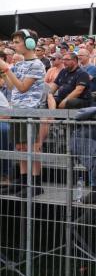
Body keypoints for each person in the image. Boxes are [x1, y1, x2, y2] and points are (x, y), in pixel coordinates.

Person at [0, 29, 46, 197]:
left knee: (32, 148)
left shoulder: (37, 65)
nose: (14, 45)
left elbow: (23, 87)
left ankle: (36, 183)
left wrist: (7, 69)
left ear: (30, 43)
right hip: (17, 109)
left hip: (30, 110)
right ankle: (23, 180)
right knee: (20, 147)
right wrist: (4, 72)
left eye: (18, 41)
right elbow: (12, 87)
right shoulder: (19, 64)